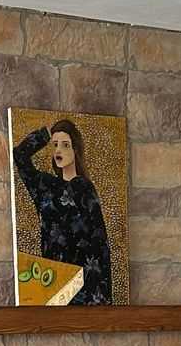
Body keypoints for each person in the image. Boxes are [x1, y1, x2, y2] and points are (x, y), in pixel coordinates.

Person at [12, 118, 112, 304]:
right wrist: (46, 134)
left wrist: (104, 298)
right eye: (55, 144)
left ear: (75, 150)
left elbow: (100, 242)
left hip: (85, 285)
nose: (59, 150)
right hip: (53, 280)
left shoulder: (84, 188)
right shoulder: (45, 186)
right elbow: (19, 155)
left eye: (65, 145)